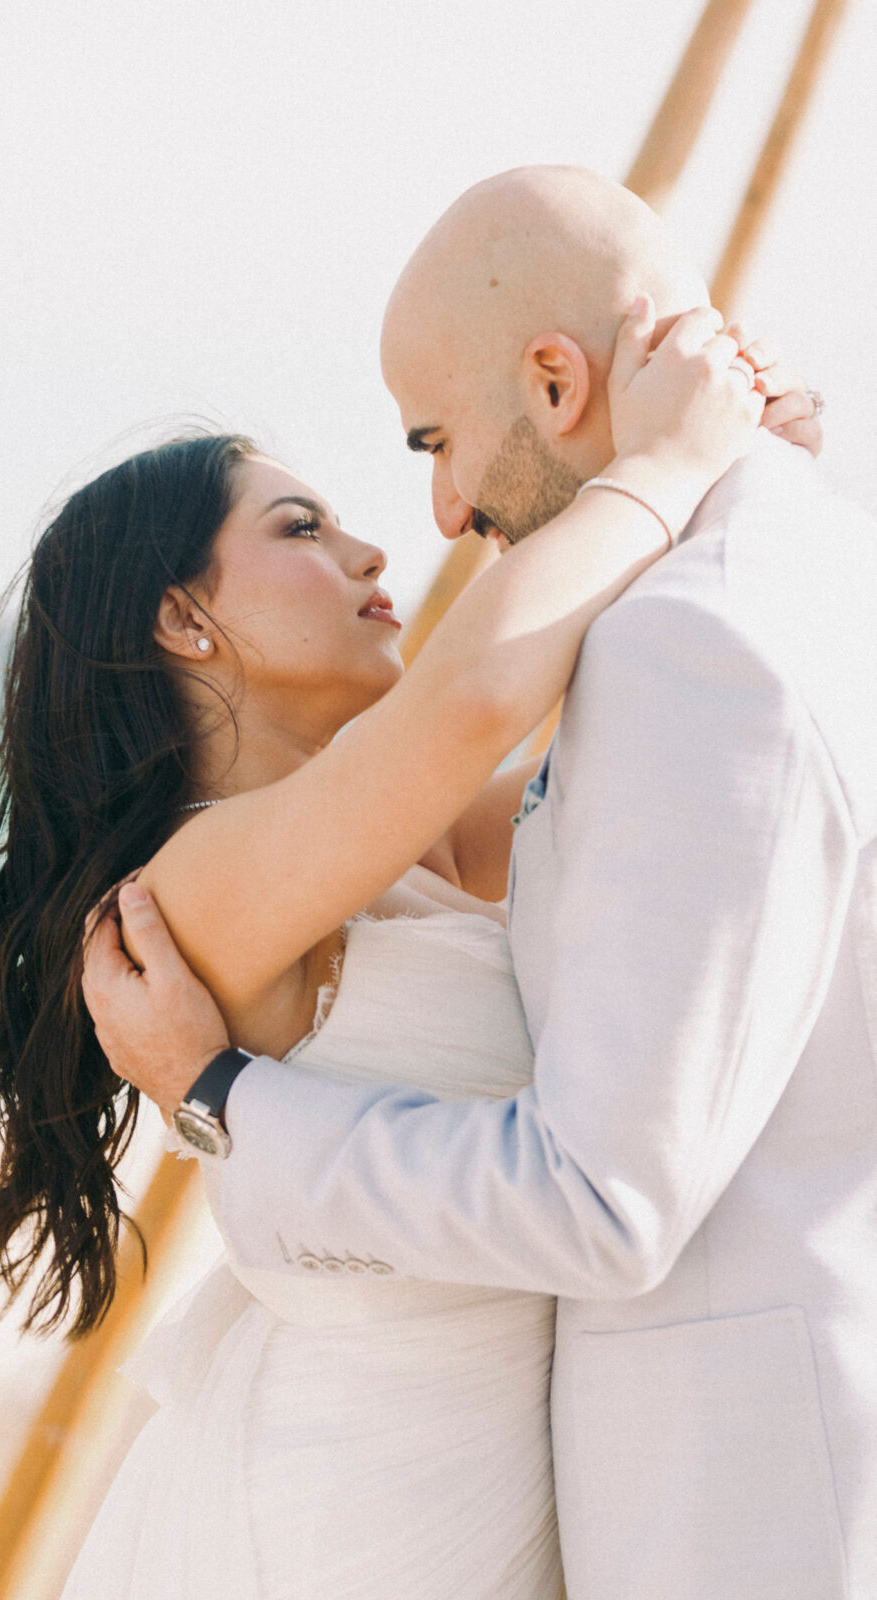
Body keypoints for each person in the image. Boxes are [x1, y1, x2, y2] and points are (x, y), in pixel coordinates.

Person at [83, 168, 875, 1600]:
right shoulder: (197, 882)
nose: (403, 531)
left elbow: (640, 773)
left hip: (541, 1485)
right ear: (182, 618)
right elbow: (473, 696)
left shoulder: (451, 827)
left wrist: (736, 484)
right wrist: (676, 469)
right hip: (359, 1492)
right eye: (300, 528)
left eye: (436, 445)